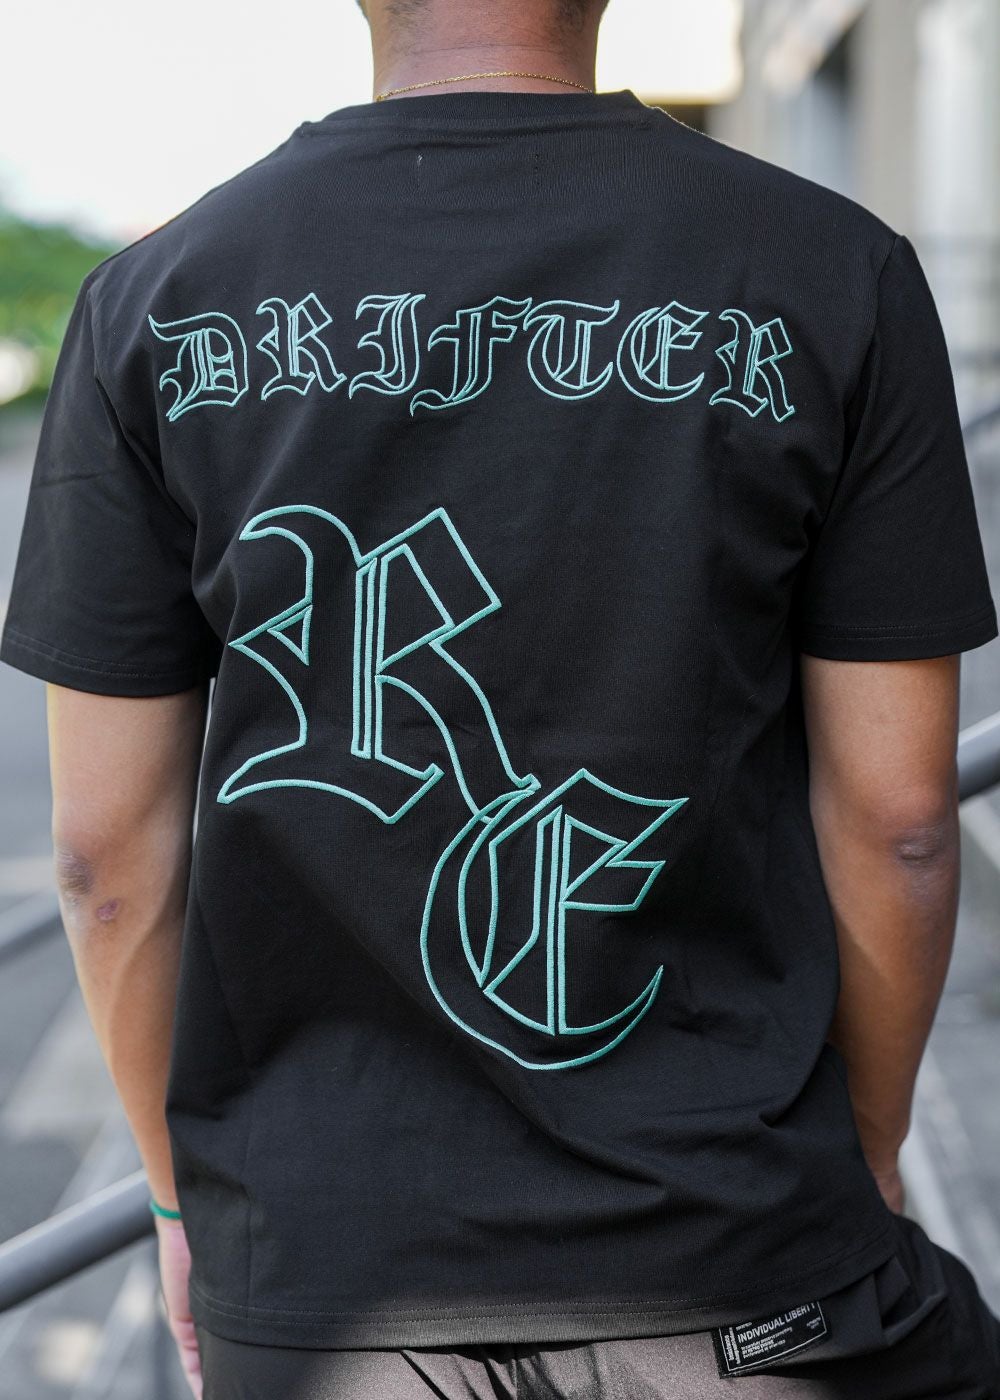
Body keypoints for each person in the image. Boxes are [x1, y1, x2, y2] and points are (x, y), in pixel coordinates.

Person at [3, 0, 1000, 1394]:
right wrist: (869, 1155)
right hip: (736, 1257)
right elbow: (901, 820)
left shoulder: (153, 301)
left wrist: (183, 1206)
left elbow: (105, 859)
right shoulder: (835, 271)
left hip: (322, 1281)